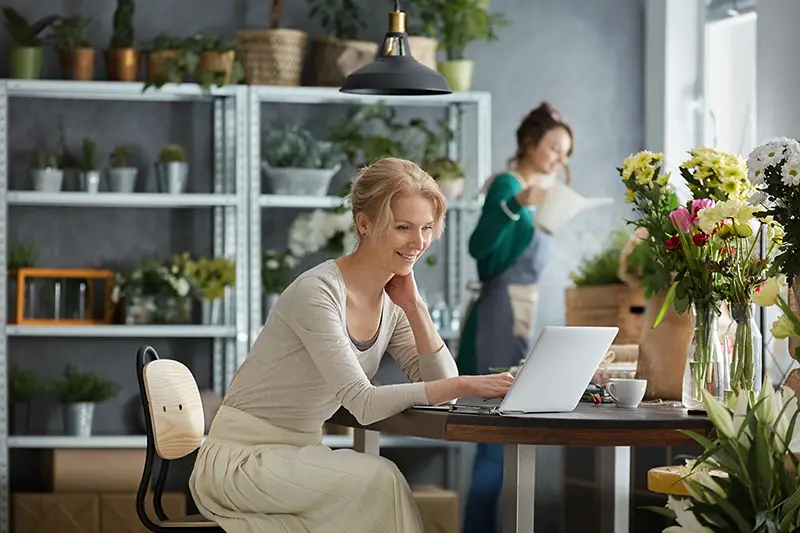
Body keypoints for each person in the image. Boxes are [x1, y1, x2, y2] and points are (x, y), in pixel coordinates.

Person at [188, 157, 515, 533]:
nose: (418, 242)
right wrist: (466, 383)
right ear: (365, 223)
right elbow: (362, 403)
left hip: (297, 457)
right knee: (379, 478)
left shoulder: (394, 299)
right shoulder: (317, 292)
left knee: (376, 483)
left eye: (427, 228)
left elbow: (443, 395)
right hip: (241, 462)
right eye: (403, 227)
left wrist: (415, 306)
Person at [458, 102, 574, 533]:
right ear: (529, 143)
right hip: (498, 319)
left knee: (506, 437)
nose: (560, 159)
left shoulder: (538, 195)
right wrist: (514, 203)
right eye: (555, 148)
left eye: (566, 153)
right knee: (495, 434)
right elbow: (479, 249)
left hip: (518, 318)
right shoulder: (509, 186)